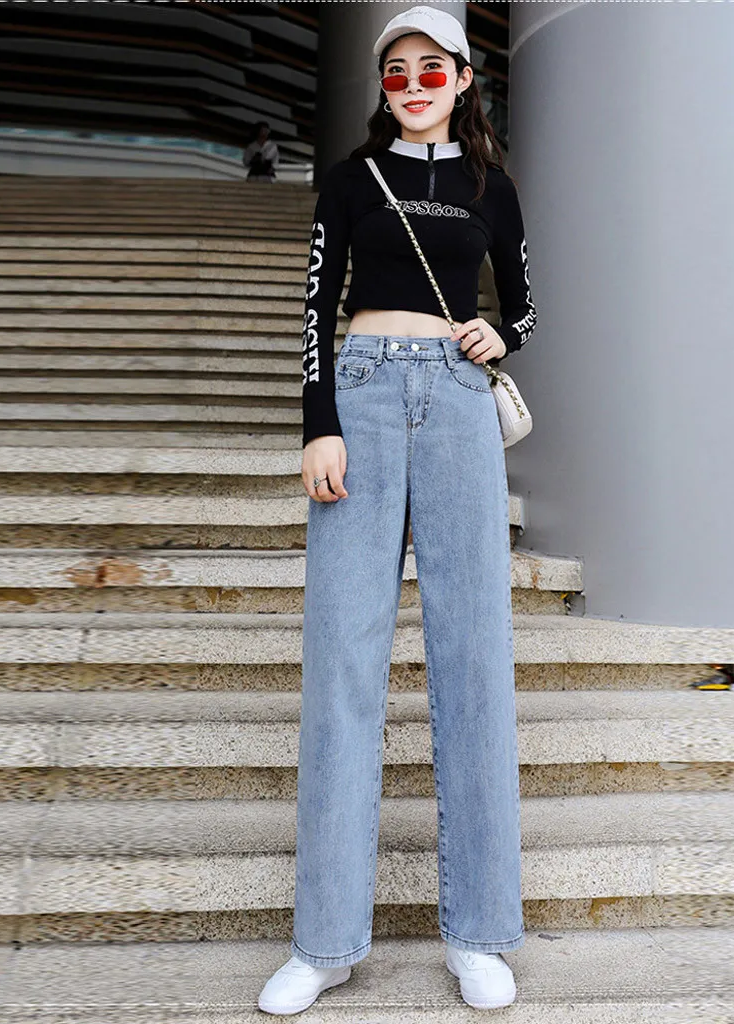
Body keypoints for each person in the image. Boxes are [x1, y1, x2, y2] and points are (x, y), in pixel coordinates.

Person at [259, 5, 537, 1015]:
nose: (413, 84)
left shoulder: (491, 185)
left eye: (432, 68)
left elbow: (525, 301)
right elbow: (313, 304)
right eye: (396, 71)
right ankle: (325, 942)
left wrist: (501, 337)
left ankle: (480, 934)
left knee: (474, 658)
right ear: (384, 86)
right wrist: (318, 425)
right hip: (365, 391)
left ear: (462, 80)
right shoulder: (351, 179)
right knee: (342, 659)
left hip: (458, 406)